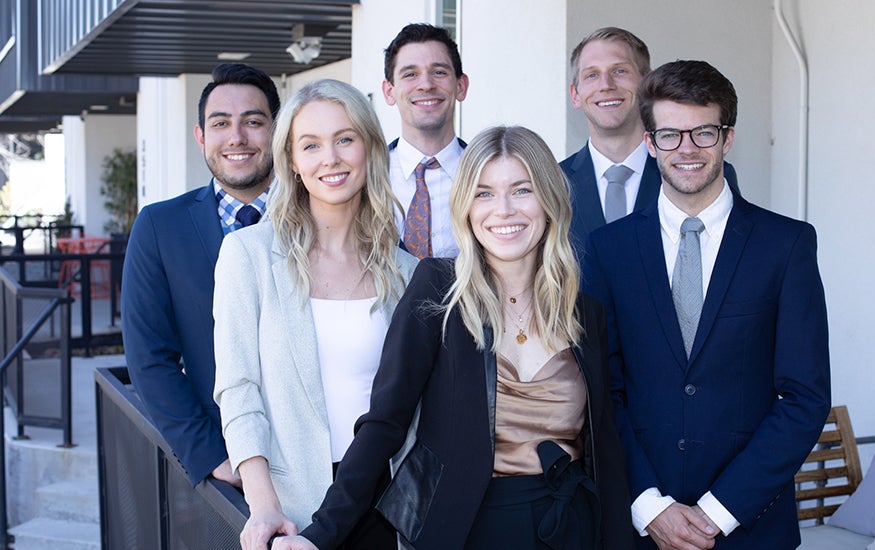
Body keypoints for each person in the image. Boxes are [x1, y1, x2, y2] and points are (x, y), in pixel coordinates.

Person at [271, 126, 633, 550]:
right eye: (483, 193)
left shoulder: (585, 312)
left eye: (521, 190)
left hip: (571, 528)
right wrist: (321, 534)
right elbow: (384, 422)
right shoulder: (436, 291)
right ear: (465, 207)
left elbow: (604, 451)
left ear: (549, 201)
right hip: (468, 530)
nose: (503, 210)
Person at [583, 60, 831, 549]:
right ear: (650, 143)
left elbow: (805, 398)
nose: (688, 150)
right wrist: (651, 507)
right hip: (639, 526)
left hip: (751, 527)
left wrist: (718, 513)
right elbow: (600, 393)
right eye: (671, 135)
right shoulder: (607, 249)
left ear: (728, 137)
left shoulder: (786, 245)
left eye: (704, 133)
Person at [212, 79, 419, 549]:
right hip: (293, 509)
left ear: (369, 149)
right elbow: (238, 388)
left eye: (345, 139)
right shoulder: (249, 254)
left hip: (392, 507)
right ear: (292, 161)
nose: (330, 158)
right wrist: (263, 503)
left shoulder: (408, 273)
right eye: (311, 145)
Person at [122, 63, 279, 488]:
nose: (237, 138)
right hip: (225, 470)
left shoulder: (321, 215)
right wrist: (211, 456)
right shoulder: (160, 227)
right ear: (201, 137)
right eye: (221, 123)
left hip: (334, 465)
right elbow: (149, 357)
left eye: (253, 121)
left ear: (277, 131)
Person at [561, 28, 739, 262]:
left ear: (647, 83)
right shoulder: (553, 182)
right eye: (592, 75)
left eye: (620, 70)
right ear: (575, 94)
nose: (606, 84)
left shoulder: (698, 169)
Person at [382, 23, 469, 259]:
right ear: (389, 91)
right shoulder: (367, 174)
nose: (426, 84)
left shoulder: (486, 173)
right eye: (410, 74)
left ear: (461, 86)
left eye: (439, 72)